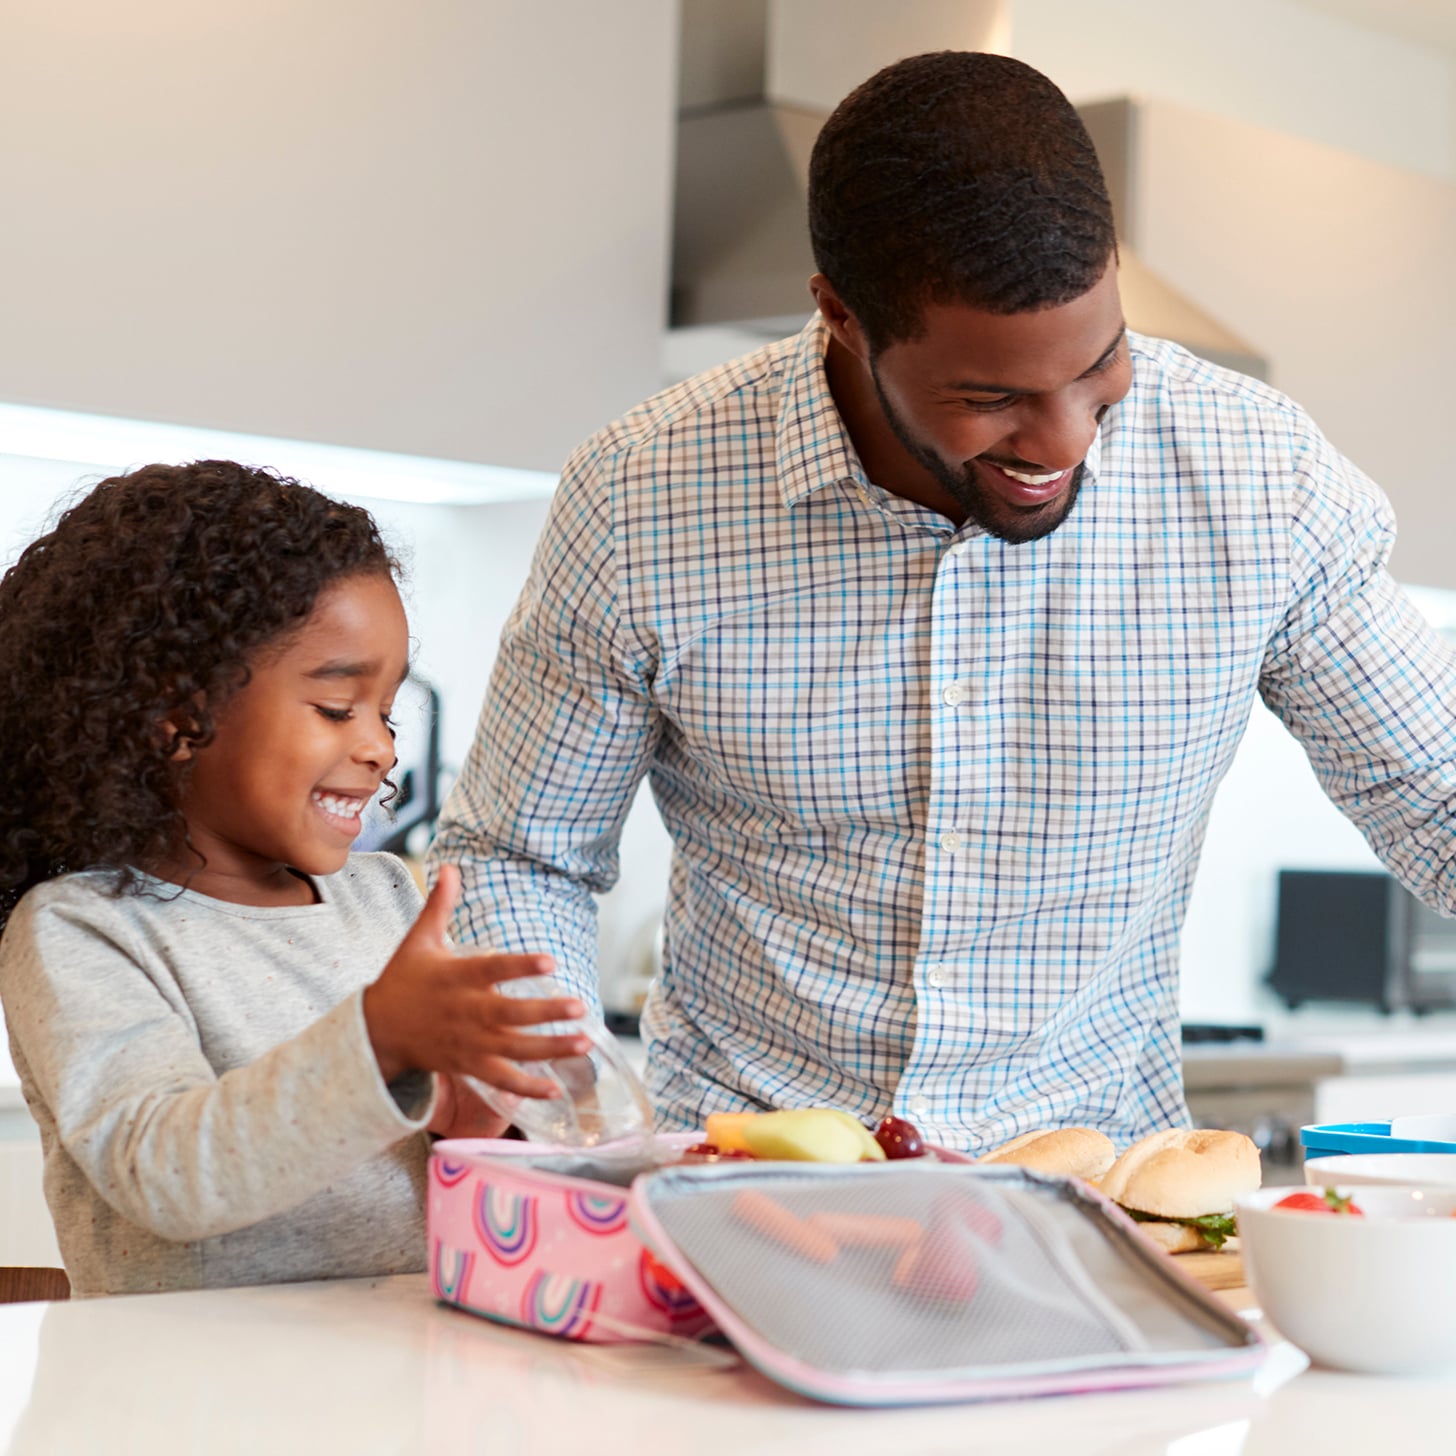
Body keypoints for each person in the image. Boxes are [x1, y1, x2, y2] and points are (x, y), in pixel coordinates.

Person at [429, 51, 1456, 1152]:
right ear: (839, 317)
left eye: (1099, 367)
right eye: (993, 397)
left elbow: (1435, 789)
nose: (1065, 441)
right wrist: (573, 1119)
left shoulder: (1263, 481)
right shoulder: (641, 495)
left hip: (1092, 1195)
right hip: (739, 1188)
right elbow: (518, 855)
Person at [0, 460, 590, 1297]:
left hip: (393, 1383)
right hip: (188, 1408)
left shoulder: (386, 898)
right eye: (338, 708)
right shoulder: (84, 929)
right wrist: (378, 1040)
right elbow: (162, 1170)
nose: (381, 746)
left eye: (387, 712)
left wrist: (474, 1136)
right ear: (178, 715)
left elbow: (437, 1194)